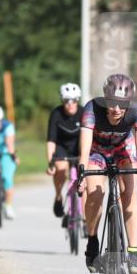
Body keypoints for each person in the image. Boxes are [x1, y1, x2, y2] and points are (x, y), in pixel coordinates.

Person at [77, 74, 137, 274]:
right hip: (96, 151)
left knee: (128, 193)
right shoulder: (92, 108)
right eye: (112, 103)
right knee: (95, 193)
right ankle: (92, 241)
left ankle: (133, 252)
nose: (116, 110)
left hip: (123, 150)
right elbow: (84, 150)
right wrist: (81, 174)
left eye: (122, 104)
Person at [46, 83, 83, 219]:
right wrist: (50, 163)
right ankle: (58, 196)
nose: (70, 104)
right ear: (62, 101)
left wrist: (84, 156)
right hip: (61, 147)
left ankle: (85, 215)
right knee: (60, 168)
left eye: (74, 100)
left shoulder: (83, 113)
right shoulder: (56, 114)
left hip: (79, 146)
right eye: (67, 100)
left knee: (84, 176)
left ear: (78, 100)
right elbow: (51, 140)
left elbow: (88, 137)